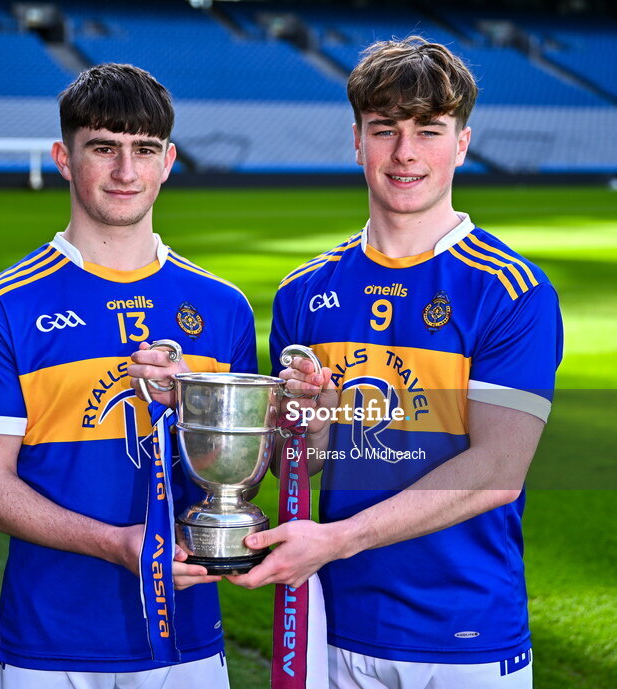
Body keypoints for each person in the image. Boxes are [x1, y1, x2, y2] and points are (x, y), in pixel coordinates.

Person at [234, 37, 563, 688]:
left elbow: (498, 471)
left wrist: (337, 540)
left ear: (462, 144)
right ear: (357, 140)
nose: (405, 153)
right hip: (334, 625)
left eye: (429, 131)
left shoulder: (510, 290)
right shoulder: (304, 291)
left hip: (464, 635)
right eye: (385, 130)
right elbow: (294, 463)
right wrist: (313, 426)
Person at [0, 63, 255, 688]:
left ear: (168, 161)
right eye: (103, 148)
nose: (125, 172)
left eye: (143, 150)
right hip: (47, 641)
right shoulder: (5, 305)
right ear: (64, 158)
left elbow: (266, 467)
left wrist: (308, 411)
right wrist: (119, 545)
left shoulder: (223, 307)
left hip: (188, 642)